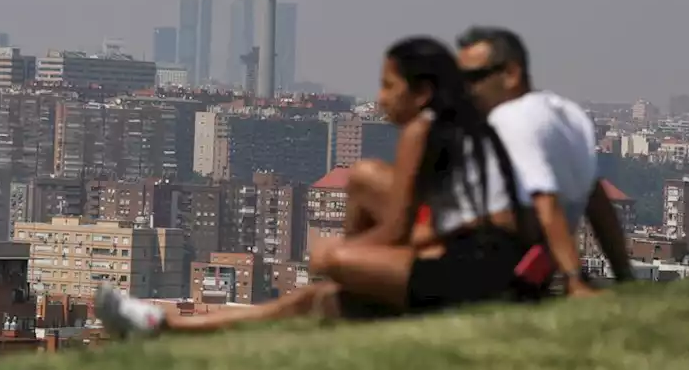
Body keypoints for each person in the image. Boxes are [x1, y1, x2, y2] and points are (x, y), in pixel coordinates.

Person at [94, 37, 531, 337]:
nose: (380, 100)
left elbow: (400, 231)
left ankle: (158, 325)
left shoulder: (425, 129)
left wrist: (340, 258)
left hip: (474, 277)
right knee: (315, 296)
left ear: (422, 92)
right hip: (489, 271)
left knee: (326, 266)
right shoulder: (465, 128)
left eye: (388, 86)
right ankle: (160, 325)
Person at [454, 26, 634, 293]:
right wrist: (624, 275)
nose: (467, 89)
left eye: (475, 77)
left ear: (511, 74)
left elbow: (545, 200)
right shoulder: (566, 112)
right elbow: (594, 198)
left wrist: (575, 279)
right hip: (532, 272)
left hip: (485, 269)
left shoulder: (511, 118)